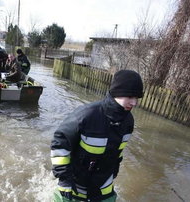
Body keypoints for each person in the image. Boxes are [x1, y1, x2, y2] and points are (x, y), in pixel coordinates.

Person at [50, 70, 144, 202]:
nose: (134, 103)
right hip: (76, 183)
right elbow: (60, 143)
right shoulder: (86, 115)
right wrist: (64, 180)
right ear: (117, 93)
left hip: (103, 183)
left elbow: (118, 152)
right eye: (130, 97)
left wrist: (114, 171)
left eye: (137, 98)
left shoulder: (128, 121)